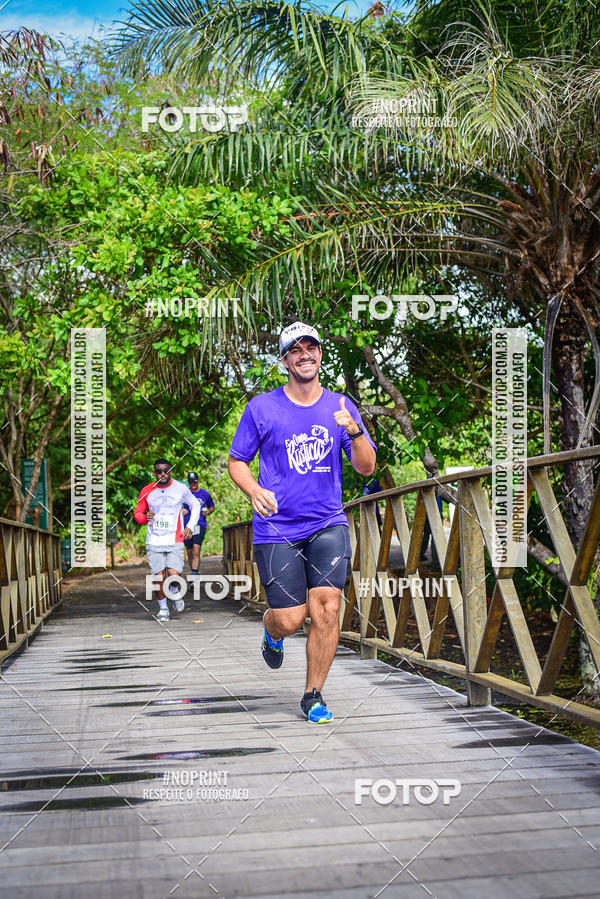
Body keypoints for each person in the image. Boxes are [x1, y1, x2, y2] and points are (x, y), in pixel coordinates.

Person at [228, 322, 376, 723]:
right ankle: (271, 631)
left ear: (320, 355)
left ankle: (313, 694)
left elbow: (366, 468)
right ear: (285, 360)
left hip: (328, 522)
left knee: (326, 608)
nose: (305, 354)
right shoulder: (262, 408)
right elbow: (236, 461)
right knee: (291, 619)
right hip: (276, 528)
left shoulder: (341, 407)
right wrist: (253, 490)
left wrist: (356, 431)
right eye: (296, 349)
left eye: (311, 347)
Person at [134, 458, 201, 622]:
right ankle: (163, 609)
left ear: (170, 471)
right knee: (158, 576)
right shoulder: (147, 490)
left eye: (165, 470)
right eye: (159, 471)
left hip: (175, 538)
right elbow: (138, 512)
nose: (162, 474)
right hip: (154, 540)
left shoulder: (180, 488)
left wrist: (190, 526)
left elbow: (195, 505)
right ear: (154, 473)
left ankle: (174, 590)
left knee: (173, 574)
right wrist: (144, 517)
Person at [182, 471, 215, 587]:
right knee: (190, 552)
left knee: (196, 549)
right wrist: (182, 512)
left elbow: (212, 507)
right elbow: (178, 508)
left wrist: (208, 512)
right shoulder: (184, 495)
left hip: (199, 524)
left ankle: (194, 576)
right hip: (186, 526)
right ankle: (193, 573)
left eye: (194, 481)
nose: (193, 484)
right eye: (191, 482)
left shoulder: (205, 494)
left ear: (198, 481)